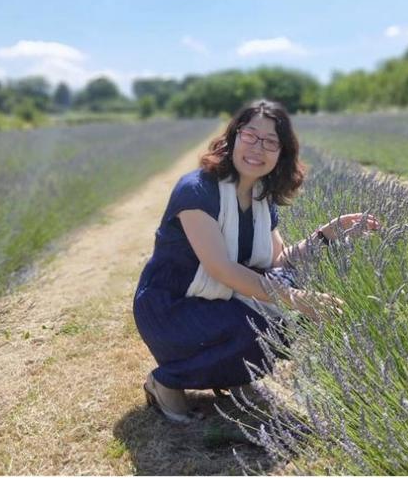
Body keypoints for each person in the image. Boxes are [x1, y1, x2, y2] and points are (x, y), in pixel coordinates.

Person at [132, 99, 380, 423]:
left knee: (290, 319)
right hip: (171, 307)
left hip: (216, 304)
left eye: (270, 142)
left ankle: (233, 373)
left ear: (281, 153)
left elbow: (281, 262)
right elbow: (221, 268)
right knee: (266, 325)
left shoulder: (262, 199)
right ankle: (167, 380)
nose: (257, 148)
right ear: (233, 137)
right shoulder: (196, 191)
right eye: (250, 135)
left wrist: (327, 234)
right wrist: (298, 300)